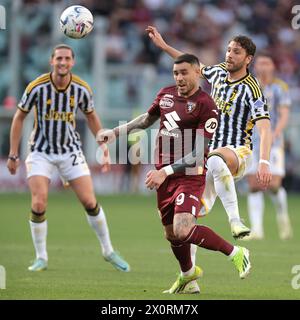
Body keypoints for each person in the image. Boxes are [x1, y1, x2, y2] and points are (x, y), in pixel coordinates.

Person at [98, 54, 251, 294]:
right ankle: (189, 276)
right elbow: (147, 119)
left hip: (190, 174)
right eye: (175, 73)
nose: (179, 78)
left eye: (184, 72)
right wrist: (116, 132)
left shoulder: (206, 105)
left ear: (197, 72)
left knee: (182, 229)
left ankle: (236, 252)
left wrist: (165, 171)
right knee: (171, 234)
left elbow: (200, 152)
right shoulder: (165, 94)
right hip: (164, 176)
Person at [6, 44, 130, 273]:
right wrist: (14, 154)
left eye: (66, 59)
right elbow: (18, 118)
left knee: (90, 203)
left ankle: (108, 250)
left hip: (70, 151)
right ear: (51, 61)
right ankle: (41, 257)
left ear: (73, 62)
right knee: (38, 202)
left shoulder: (81, 89)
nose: (62, 62)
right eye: (58, 59)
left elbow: (92, 117)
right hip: (40, 151)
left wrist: (103, 148)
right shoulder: (37, 87)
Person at [146, 26, 273, 240]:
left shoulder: (253, 89)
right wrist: (165, 46)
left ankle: (235, 220)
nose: (230, 55)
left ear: (248, 59)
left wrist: (264, 162)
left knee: (215, 160)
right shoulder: (218, 72)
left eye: (236, 52)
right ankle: (189, 272)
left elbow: (265, 127)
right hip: (207, 157)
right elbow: (193, 65)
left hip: (238, 152)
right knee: (184, 219)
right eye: (229, 50)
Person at [246, 52, 293, 240]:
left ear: (273, 66)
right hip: (251, 142)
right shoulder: (249, 86)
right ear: (255, 66)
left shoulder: (280, 87)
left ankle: (282, 216)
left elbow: (284, 114)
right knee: (253, 185)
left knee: (273, 183)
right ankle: (257, 229)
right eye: (261, 63)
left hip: (273, 142)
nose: (264, 66)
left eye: (268, 63)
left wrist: (276, 133)